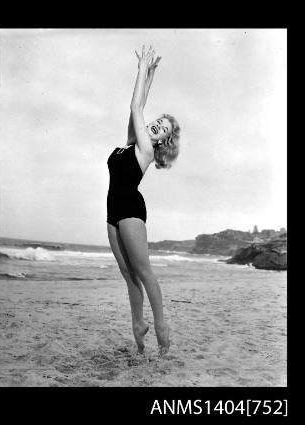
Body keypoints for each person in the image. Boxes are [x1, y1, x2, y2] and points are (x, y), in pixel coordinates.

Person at [106, 45, 181, 357]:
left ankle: (161, 327)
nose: (155, 125)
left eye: (162, 128)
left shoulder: (146, 152)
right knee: (128, 275)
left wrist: (140, 70)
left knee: (144, 271)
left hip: (131, 212)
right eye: (158, 121)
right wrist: (149, 74)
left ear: (161, 141)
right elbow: (137, 109)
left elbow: (136, 108)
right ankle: (139, 325)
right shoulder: (129, 143)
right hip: (112, 212)